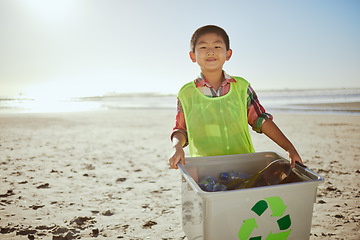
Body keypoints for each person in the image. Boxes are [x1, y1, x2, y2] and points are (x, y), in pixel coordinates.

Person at [169, 25, 302, 170]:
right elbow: (181, 130)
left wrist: (289, 148)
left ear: (228, 54)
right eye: (203, 47)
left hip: (244, 164)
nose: (211, 51)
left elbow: (261, 120)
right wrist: (177, 147)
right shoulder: (186, 93)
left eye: (217, 46)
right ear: (192, 56)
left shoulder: (241, 87)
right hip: (205, 169)